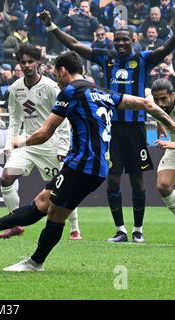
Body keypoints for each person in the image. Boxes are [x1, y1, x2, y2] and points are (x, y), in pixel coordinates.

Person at [0, 51, 175, 272]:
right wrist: (171, 124)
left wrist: (21, 141)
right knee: (44, 205)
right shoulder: (102, 92)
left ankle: (24, 255)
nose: (56, 78)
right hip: (95, 168)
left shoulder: (70, 92)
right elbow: (147, 104)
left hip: (82, 165)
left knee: (47, 209)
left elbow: (45, 132)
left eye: (57, 73)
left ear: (62, 71)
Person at [39, 9, 175, 243]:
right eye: (117, 39)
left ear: (132, 40)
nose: (121, 43)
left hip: (136, 128)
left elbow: (165, 49)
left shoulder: (142, 59)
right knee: (113, 178)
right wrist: (51, 26)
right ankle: (120, 230)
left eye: (125, 39)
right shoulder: (106, 57)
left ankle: (138, 230)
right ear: (113, 40)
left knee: (137, 180)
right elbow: (74, 44)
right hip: (112, 129)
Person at [0, 45, 81, 240]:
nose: (26, 65)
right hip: (27, 143)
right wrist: (9, 144)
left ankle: (75, 228)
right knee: (6, 178)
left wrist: (62, 148)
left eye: (30, 61)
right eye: (23, 62)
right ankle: (16, 224)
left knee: (61, 188)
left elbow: (63, 119)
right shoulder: (15, 87)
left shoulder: (51, 87)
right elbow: (15, 120)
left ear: (38, 63)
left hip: (51, 145)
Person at [152, 79, 175, 214]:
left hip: (172, 145)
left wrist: (170, 144)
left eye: (164, 99)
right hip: (172, 147)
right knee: (164, 185)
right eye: (157, 99)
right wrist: (159, 125)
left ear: (172, 95)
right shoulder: (154, 106)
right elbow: (147, 94)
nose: (160, 103)